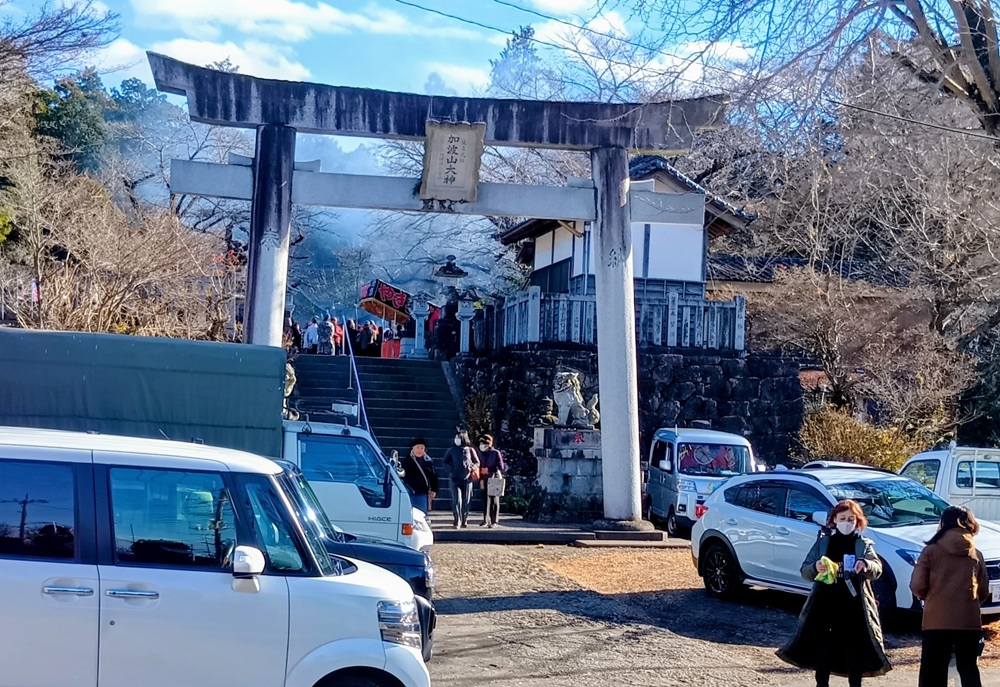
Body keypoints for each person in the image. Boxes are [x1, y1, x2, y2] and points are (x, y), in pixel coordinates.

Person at [777, 499, 891, 686]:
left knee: (853, 655)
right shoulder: (824, 543)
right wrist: (816, 567)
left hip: (854, 608)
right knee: (824, 654)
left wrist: (866, 565)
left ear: (858, 522)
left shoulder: (862, 544)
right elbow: (805, 571)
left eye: (851, 519)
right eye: (842, 518)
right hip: (824, 606)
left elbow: (877, 568)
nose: (847, 523)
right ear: (834, 520)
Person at [910, 505, 990, 687]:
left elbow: (918, 586)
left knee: (933, 672)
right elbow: (984, 590)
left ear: (943, 523)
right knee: (968, 670)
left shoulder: (930, 551)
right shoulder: (976, 554)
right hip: (969, 621)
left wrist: (928, 598)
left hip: (936, 621)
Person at [442, 430, 479, 528]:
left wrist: (472, 467)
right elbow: (445, 462)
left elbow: (477, 462)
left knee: (467, 500)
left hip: (467, 479)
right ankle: (457, 520)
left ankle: (464, 519)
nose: (456, 440)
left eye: (458, 438)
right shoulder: (452, 450)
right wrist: (451, 469)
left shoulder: (470, 450)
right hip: (455, 479)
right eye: (456, 438)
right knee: (457, 500)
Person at [400, 437, 437, 515]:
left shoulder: (428, 461)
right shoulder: (406, 461)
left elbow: (433, 476)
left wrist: (434, 489)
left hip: (422, 492)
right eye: (417, 447)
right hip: (409, 492)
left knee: (422, 514)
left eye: (422, 448)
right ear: (413, 448)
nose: (419, 450)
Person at [477, 434, 506, 528]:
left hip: (494, 478)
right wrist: (480, 479)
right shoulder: (481, 454)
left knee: (494, 500)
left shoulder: (495, 453)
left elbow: (501, 466)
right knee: (485, 500)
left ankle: (494, 521)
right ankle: (485, 520)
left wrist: (489, 469)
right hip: (484, 478)